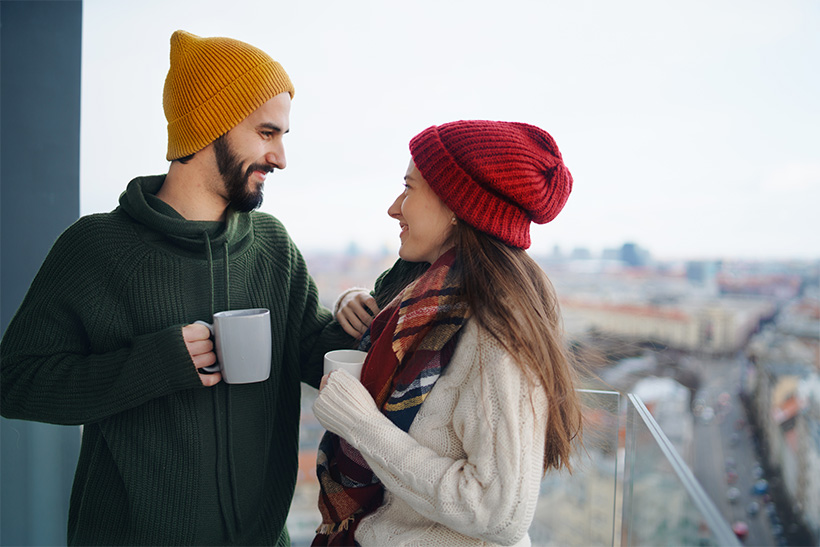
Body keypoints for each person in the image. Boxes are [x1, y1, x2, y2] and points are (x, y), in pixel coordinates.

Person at [0, 30, 355, 545]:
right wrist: (149, 365)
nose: (280, 157)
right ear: (212, 127)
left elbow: (315, 353)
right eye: (267, 132)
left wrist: (364, 305)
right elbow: (15, 380)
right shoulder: (96, 247)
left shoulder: (271, 245)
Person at [311, 120, 585, 546]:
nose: (394, 207)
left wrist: (361, 424)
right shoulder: (439, 295)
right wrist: (355, 298)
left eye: (409, 188)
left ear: (457, 204)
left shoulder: (498, 323)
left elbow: (500, 512)